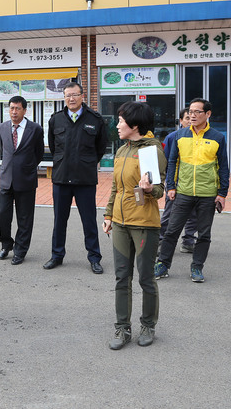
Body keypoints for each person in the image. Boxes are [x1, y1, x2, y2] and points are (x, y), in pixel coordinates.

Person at [103, 101, 166, 350]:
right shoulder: (121, 151)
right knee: (121, 277)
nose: (117, 125)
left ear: (135, 125)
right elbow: (116, 188)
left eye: (121, 121)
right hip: (119, 223)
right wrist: (108, 215)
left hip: (144, 224)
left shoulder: (151, 151)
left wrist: (150, 189)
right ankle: (122, 328)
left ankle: (148, 325)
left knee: (146, 278)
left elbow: (159, 191)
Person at [154, 98, 228, 282]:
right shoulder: (180, 135)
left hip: (207, 194)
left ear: (208, 114)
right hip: (183, 192)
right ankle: (163, 264)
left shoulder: (218, 137)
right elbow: (173, 162)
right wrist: (170, 186)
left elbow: (223, 167)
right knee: (172, 231)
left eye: (197, 112)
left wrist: (222, 193)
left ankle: (197, 267)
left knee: (203, 234)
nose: (192, 115)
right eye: (191, 112)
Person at [44, 81, 108, 274]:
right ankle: (57, 255)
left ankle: (94, 257)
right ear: (64, 98)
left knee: (89, 220)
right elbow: (54, 147)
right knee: (59, 220)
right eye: (67, 95)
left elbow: (100, 148)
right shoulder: (56, 119)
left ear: (82, 96)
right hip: (61, 178)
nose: (71, 99)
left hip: (85, 179)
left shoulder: (95, 119)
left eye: (75, 95)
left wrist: (86, 163)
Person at [0, 96, 44, 265]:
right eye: (11, 108)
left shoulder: (35, 129)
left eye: (17, 108)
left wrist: (27, 167)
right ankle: (6, 244)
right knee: (2, 214)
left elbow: (38, 153)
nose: (14, 112)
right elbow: (5, 151)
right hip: (6, 179)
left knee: (25, 218)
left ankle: (20, 250)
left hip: (26, 179)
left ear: (24, 110)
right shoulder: (2, 127)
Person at [159, 108, 197, 256]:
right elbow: (167, 161)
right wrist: (168, 183)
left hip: (193, 183)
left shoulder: (200, 138)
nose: (189, 120)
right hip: (175, 182)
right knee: (170, 212)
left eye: (192, 117)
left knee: (193, 213)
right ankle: (161, 241)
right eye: (186, 118)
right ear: (181, 121)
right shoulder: (172, 137)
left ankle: (188, 241)